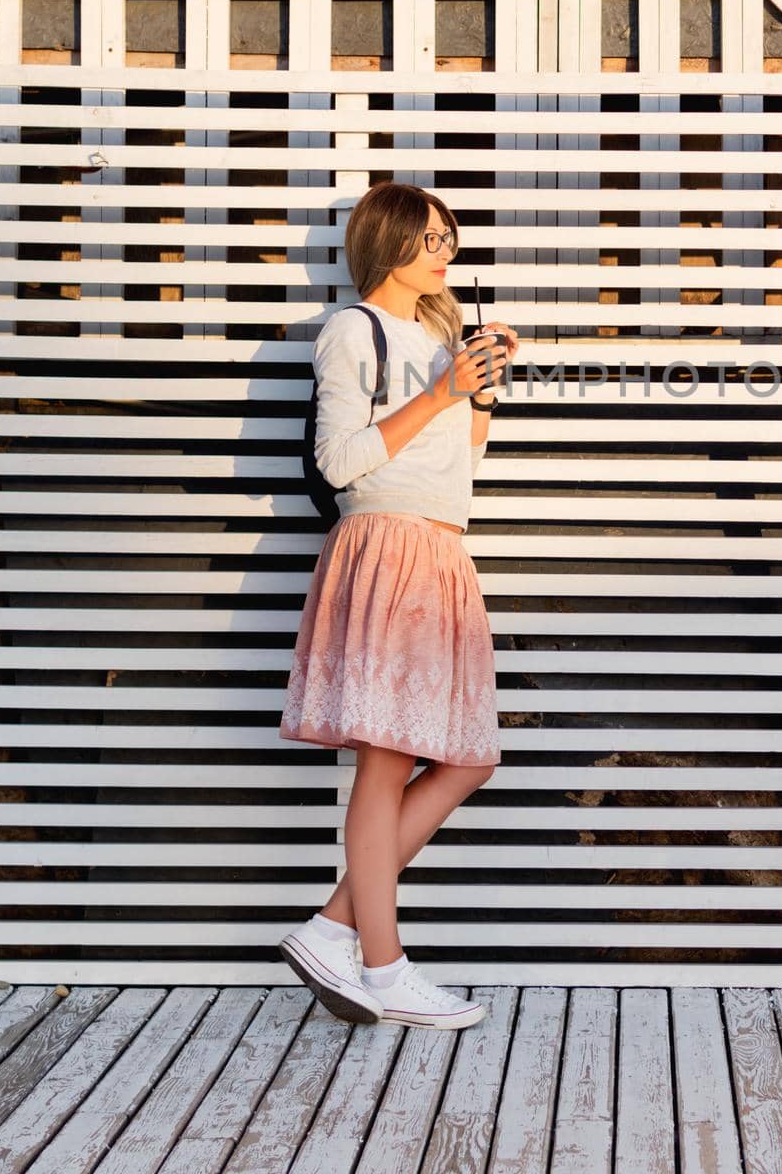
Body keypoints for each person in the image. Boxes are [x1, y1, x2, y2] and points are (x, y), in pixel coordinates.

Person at [276, 180, 517, 1028]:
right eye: (427, 237)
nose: (443, 249)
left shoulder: (434, 333)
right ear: (388, 242)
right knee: (386, 759)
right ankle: (383, 967)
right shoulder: (353, 329)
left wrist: (479, 388)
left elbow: (461, 467)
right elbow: (340, 460)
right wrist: (443, 390)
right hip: (384, 546)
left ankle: (333, 927)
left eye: (449, 236)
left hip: (440, 550)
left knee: (467, 757)